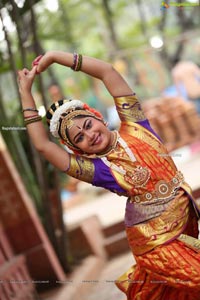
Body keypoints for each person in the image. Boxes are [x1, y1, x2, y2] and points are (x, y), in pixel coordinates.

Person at [18, 51, 200, 300]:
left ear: (97, 117)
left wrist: (56, 57)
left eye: (88, 125)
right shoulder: (98, 170)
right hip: (156, 243)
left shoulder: (136, 125)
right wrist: (26, 92)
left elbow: (108, 72)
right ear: (77, 149)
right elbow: (43, 146)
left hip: (185, 225)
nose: (89, 135)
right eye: (79, 138)